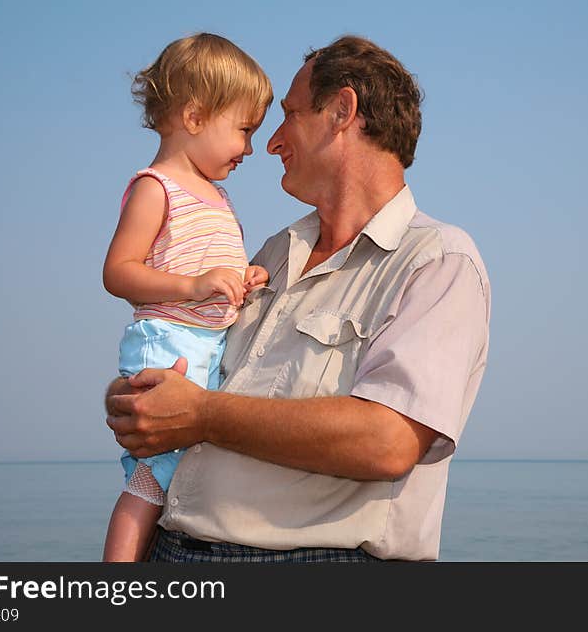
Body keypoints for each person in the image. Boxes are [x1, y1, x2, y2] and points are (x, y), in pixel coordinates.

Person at [106, 35, 491, 562]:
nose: (270, 142)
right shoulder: (274, 252)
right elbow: (192, 369)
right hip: (172, 549)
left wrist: (200, 414)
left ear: (342, 112)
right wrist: (140, 400)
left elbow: (388, 442)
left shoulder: (439, 261)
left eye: (289, 115)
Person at [100, 32, 273, 562]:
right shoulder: (157, 187)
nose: (249, 148)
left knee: (178, 478)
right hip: (169, 342)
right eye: (243, 130)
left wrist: (243, 279)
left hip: (206, 346)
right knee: (149, 483)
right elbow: (118, 273)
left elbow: (204, 266)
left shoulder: (217, 196)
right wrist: (194, 287)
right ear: (195, 117)